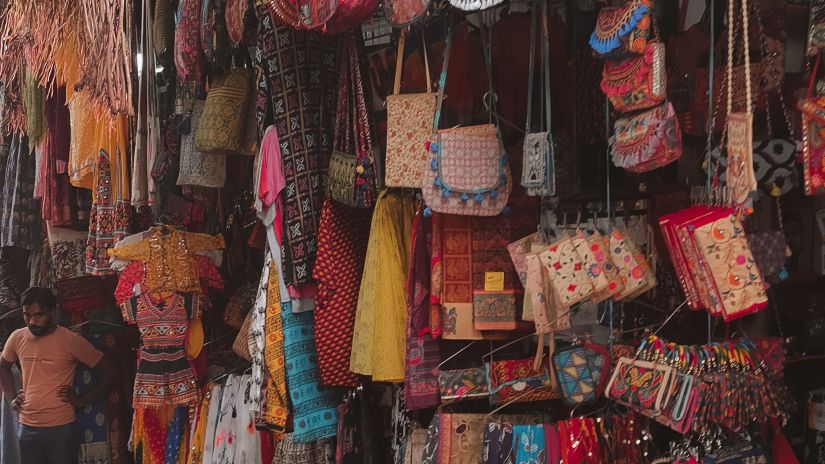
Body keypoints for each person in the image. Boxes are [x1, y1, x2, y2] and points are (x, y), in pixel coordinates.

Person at [0, 287, 116, 464]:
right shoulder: (17, 337)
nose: (32, 321)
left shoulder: (70, 340)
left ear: (53, 312)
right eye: (27, 315)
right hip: (27, 426)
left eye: (39, 315)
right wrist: (12, 397)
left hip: (60, 428)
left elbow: (110, 369)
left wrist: (83, 399)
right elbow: (3, 366)